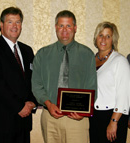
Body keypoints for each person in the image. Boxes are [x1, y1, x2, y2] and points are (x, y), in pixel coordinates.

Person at [32, 10, 97, 143]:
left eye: (68, 26)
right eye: (61, 26)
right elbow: (36, 84)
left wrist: (83, 112)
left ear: (75, 28)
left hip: (77, 119)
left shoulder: (87, 54)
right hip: (50, 117)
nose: (64, 30)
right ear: (56, 27)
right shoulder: (42, 54)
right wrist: (48, 104)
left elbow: (92, 86)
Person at [0, 7, 37, 143]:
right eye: (10, 22)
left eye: (18, 22)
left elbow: (32, 80)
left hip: (23, 123)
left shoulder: (27, 50)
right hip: (0, 123)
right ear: (1, 25)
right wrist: (19, 107)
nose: (14, 26)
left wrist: (32, 103)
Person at [89, 22, 130, 143]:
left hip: (112, 116)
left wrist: (113, 122)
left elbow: (124, 95)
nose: (103, 39)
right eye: (101, 35)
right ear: (96, 37)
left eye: (108, 36)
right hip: (94, 117)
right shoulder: (91, 60)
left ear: (113, 39)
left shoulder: (119, 61)